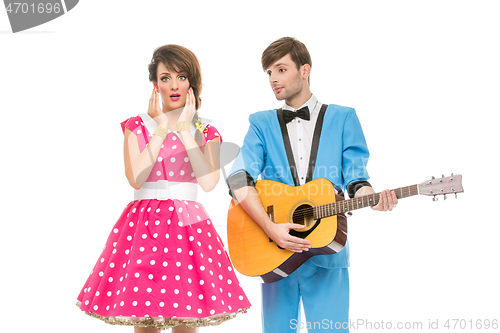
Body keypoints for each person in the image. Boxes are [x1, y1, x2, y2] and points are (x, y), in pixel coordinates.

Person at [227, 37, 398, 332]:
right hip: (273, 253)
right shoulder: (260, 123)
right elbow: (239, 178)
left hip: (327, 251)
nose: (273, 79)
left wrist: (371, 196)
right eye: (268, 73)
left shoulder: (344, 118)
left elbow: (357, 176)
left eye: (281, 69)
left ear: (305, 70)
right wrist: (270, 228)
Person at [76, 44, 251, 333]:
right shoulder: (137, 126)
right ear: (155, 84)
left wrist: (184, 129)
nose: (174, 85)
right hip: (142, 225)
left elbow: (208, 182)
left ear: (192, 84)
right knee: (144, 320)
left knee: (186, 318)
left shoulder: (205, 131)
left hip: (187, 228)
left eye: (182, 77)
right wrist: (159, 128)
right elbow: (136, 178)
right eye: (165, 77)